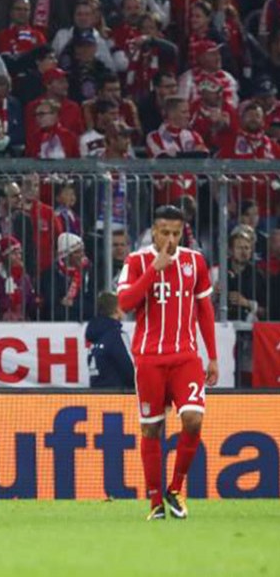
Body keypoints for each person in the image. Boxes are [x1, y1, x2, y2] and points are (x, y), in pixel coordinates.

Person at [117, 205, 218, 521]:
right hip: (149, 360)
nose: (171, 239)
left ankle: (175, 489)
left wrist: (212, 356)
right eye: (165, 232)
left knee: (193, 420)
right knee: (152, 430)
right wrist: (154, 270)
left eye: (176, 233)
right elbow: (125, 303)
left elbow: (204, 310)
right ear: (154, 231)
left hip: (186, 357)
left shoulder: (194, 261)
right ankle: (155, 503)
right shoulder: (136, 261)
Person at [86, 291, 134, 389]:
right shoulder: (116, 336)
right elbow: (130, 369)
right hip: (118, 395)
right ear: (116, 309)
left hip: (95, 395)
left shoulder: (95, 336)